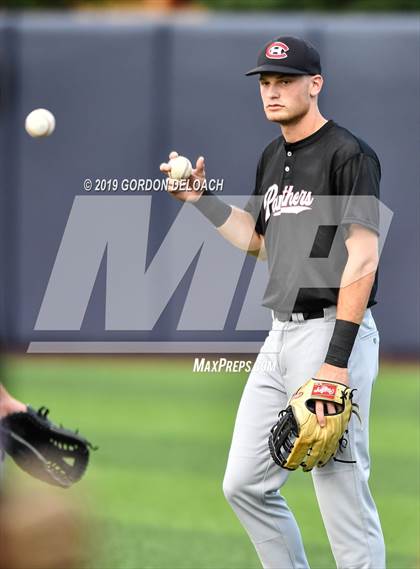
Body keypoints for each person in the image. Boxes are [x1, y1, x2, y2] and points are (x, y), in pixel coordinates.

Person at [160, 35, 385, 569]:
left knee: (342, 494)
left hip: (331, 335)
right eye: (265, 82)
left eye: (285, 80)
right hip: (279, 335)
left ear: (316, 84)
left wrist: (336, 363)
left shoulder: (348, 154)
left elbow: (364, 257)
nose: (273, 91)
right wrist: (200, 199)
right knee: (244, 484)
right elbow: (259, 242)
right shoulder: (272, 155)